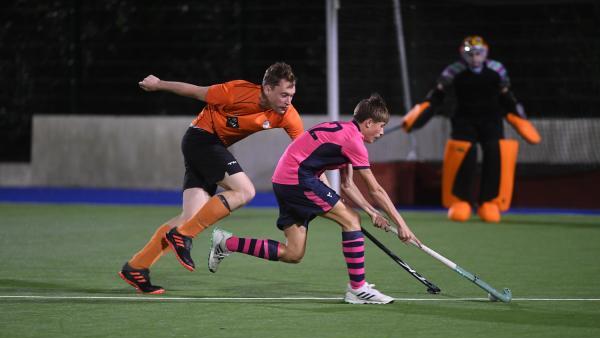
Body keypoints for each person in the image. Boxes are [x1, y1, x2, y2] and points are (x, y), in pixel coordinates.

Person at [207, 94, 421, 304]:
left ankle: (226, 243)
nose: (382, 132)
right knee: (351, 220)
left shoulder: (346, 132)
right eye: (380, 126)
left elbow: (347, 185)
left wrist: (373, 212)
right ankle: (357, 288)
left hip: (285, 179)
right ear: (368, 123)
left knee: (293, 253)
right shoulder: (354, 142)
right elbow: (376, 190)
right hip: (297, 179)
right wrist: (402, 225)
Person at [119, 62, 304, 294]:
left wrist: (324, 187)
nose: (289, 101)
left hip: (213, 146)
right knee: (245, 191)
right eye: (284, 95)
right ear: (267, 89)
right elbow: (194, 90)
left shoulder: (287, 115)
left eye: (292, 95)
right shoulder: (235, 92)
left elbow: (305, 152)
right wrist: (159, 84)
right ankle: (183, 236)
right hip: (200, 139)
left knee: (190, 216)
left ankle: (137, 267)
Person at [402, 35, 540, 223]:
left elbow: (507, 97)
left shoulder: (497, 70)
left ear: (486, 52)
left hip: (492, 121)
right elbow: (437, 95)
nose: (475, 58)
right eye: (471, 54)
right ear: (463, 54)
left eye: (479, 53)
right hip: (463, 120)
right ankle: (461, 201)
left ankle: (488, 202)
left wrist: (518, 117)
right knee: (465, 156)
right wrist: (421, 113)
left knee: (494, 155)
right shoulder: (453, 71)